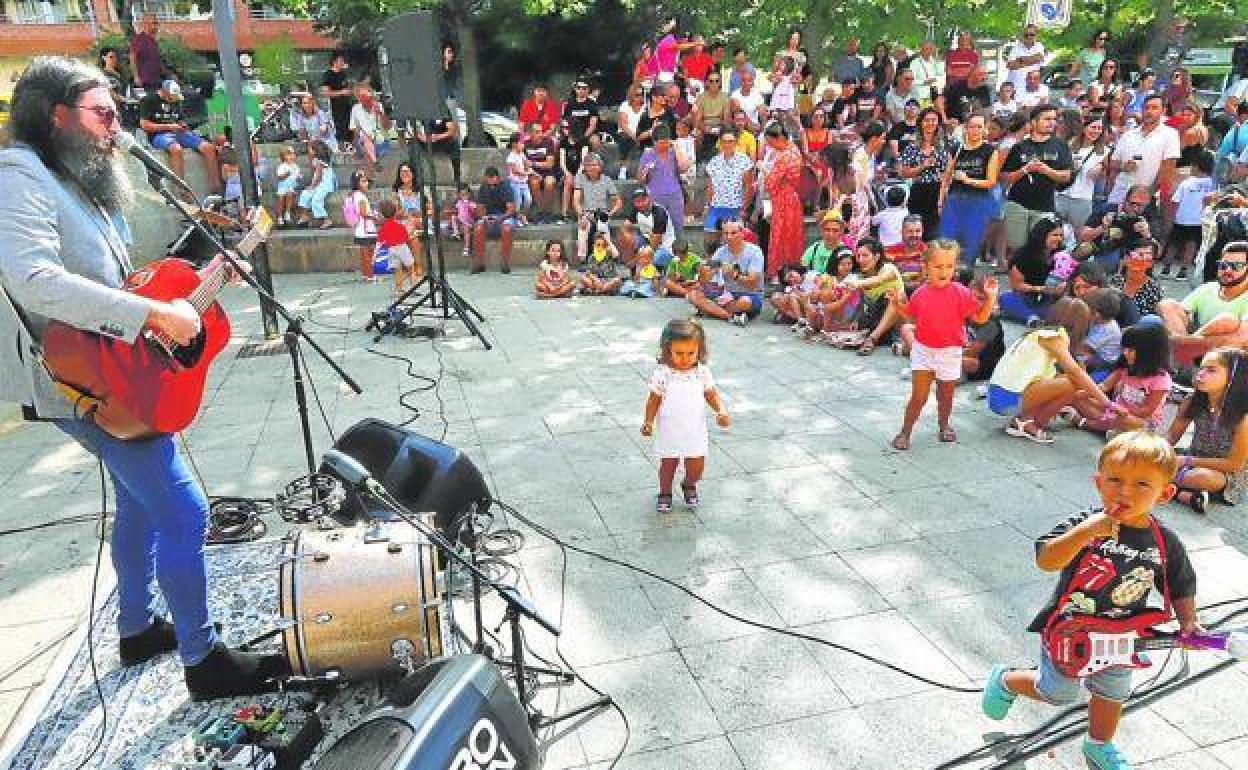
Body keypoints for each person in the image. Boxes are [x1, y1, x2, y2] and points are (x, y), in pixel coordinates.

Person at [0, 56, 286, 700]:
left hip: (110, 370)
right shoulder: (19, 176)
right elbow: (34, 280)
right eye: (103, 115)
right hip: (77, 383)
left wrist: (196, 284)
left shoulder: (78, 181)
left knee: (138, 502)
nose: (115, 127)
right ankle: (204, 659)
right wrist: (156, 312)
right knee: (184, 513)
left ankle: (135, 629)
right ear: (56, 117)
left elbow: (114, 282)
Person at [981, 431, 1201, 770]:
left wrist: (1189, 621)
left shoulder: (1164, 541)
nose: (1125, 491)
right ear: (1099, 483)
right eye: (1115, 480)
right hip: (1071, 629)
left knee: (1112, 694)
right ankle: (1006, 680)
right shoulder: (1084, 524)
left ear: (1165, 494)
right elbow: (1046, 559)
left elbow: (1181, 582)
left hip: (1121, 636)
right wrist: (1086, 532)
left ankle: (1099, 744)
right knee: (1058, 693)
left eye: (1142, 484)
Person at [888, 241, 998, 449]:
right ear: (926, 266)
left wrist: (991, 298)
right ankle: (905, 431)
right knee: (918, 397)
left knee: (945, 396)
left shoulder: (960, 293)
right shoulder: (920, 293)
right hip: (923, 351)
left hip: (950, 352)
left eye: (949, 266)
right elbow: (911, 315)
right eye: (938, 266)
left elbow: (981, 318)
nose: (944, 271)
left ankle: (944, 425)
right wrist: (896, 304)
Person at [988, 297, 1113, 443]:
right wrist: (1108, 404)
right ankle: (1028, 423)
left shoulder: (1042, 333)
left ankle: (1028, 422)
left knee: (1071, 383)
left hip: (1004, 396)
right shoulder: (1052, 337)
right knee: (1073, 380)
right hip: (1007, 399)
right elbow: (1075, 373)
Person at [641, 319, 730, 514]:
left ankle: (689, 484)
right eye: (678, 353)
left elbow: (711, 394)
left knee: (696, 466)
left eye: (691, 353)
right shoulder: (663, 374)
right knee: (668, 464)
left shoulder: (702, 373)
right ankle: (665, 492)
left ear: (699, 351)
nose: (685, 358)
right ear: (667, 351)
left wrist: (720, 410)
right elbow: (653, 400)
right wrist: (648, 422)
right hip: (670, 429)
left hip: (695, 430)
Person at [1168, 348, 1248, 512]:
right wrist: (1156, 451)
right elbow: (1170, 437)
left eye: (1211, 370)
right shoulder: (1191, 401)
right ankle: (1184, 495)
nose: (1201, 374)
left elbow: (1234, 464)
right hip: (1190, 458)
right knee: (1148, 457)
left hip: (1224, 474)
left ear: (1233, 378)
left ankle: (1158, 484)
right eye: (1201, 368)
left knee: (1204, 477)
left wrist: (1187, 461)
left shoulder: (1243, 418)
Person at [1060, 322, 1172, 435]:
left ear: (1149, 353)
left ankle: (1084, 423)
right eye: (1124, 349)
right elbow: (1104, 386)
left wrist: (1117, 411)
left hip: (1139, 422)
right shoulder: (1126, 367)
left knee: (1128, 422)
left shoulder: (1161, 379)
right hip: (1114, 412)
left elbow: (1145, 411)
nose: (1125, 353)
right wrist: (1081, 394)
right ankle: (1105, 427)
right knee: (1079, 400)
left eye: (1131, 350)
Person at [1156, 241, 1248, 364]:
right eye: (1223, 265)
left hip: (1228, 357)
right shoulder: (1208, 288)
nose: (1227, 270)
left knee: (1227, 321)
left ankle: (1181, 355)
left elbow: (1241, 338)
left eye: (1236, 266)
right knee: (1167, 305)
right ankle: (1184, 358)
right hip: (1200, 348)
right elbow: (1179, 317)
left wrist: (1180, 341)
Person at [1001, 104, 1073, 256]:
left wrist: (1045, 170)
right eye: (1047, 119)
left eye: (1054, 119)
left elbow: (1066, 175)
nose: (1051, 122)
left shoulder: (1060, 146)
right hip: (1017, 203)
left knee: (1039, 247)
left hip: (1044, 205)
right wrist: (1025, 169)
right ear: (1033, 122)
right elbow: (1005, 177)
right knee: (1017, 247)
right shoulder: (1020, 147)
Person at [138, 78, 222, 193]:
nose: (174, 100)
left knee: (208, 147)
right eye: (172, 97)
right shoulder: (149, 100)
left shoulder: (177, 100)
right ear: (165, 93)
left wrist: (182, 125)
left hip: (177, 131)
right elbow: (145, 125)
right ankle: (182, 189)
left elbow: (180, 119)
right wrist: (170, 127)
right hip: (158, 134)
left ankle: (216, 186)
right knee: (176, 149)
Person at [941, 113, 1002, 266]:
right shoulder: (956, 148)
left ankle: (966, 278)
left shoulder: (990, 151)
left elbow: (991, 182)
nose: (975, 130)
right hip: (954, 199)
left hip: (977, 201)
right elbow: (946, 177)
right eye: (972, 126)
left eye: (979, 127)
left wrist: (968, 180)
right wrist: (940, 200)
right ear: (966, 128)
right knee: (949, 242)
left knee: (971, 242)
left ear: (985, 129)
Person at [688, 219, 765, 326]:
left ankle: (713, 310)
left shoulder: (755, 252)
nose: (729, 237)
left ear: (742, 233)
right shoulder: (720, 252)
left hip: (750, 295)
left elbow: (753, 283)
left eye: (733, 233)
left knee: (744, 302)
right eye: (726, 233)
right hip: (726, 294)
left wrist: (734, 275)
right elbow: (705, 281)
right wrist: (703, 272)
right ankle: (731, 316)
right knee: (693, 295)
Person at [1105, 95, 1179, 206]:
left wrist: (1149, 193)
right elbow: (1113, 164)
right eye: (1146, 107)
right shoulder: (1128, 135)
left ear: (1163, 111)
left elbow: (1167, 169)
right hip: (1118, 195)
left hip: (1144, 200)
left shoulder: (1170, 134)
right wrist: (1123, 167)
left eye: (1154, 108)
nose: (1149, 111)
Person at [841, 237, 906, 354]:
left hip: (896, 322)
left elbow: (879, 279)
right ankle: (870, 336)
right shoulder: (860, 276)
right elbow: (862, 302)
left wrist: (857, 283)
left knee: (896, 298)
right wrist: (856, 320)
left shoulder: (889, 269)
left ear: (876, 257)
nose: (861, 260)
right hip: (875, 320)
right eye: (858, 256)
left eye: (865, 256)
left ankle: (872, 339)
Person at [999, 217, 1067, 324]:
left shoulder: (1059, 254)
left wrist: (1061, 288)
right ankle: (1031, 318)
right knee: (1006, 298)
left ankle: (1035, 316)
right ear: (1042, 235)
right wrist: (1040, 289)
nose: (1059, 239)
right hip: (1026, 296)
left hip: (1046, 299)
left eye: (1061, 235)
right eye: (1055, 235)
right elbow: (1016, 285)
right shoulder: (1024, 255)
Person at [761, 121, 805, 280]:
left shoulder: (783, 156)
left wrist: (764, 169)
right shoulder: (795, 150)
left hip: (782, 198)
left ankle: (777, 273)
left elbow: (770, 183)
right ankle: (791, 270)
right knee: (792, 235)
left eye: (771, 142)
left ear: (779, 137)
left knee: (779, 236)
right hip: (792, 196)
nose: (770, 146)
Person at [1162, 150, 1215, 280]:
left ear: (1196, 166)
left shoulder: (1186, 183)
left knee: (1174, 243)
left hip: (1181, 219)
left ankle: (1166, 269)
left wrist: (1170, 217)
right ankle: (1183, 271)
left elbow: (1175, 201)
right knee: (1191, 245)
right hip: (1198, 221)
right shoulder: (1212, 184)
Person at [898, 107, 949, 239]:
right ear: (921, 122)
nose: (930, 123)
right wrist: (922, 166)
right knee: (917, 230)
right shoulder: (912, 147)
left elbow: (948, 173)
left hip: (938, 189)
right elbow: (903, 172)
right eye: (927, 120)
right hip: (919, 190)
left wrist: (942, 197)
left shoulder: (946, 145)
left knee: (935, 232)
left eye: (934, 120)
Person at [702, 128, 755, 253]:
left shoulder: (744, 161)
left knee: (735, 241)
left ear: (736, 142)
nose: (727, 144)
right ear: (720, 142)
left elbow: (749, 187)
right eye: (724, 141)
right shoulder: (714, 162)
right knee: (710, 242)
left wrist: (744, 208)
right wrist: (708, 205)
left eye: (730, 141)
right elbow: (710, 186)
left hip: (735, 207)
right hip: (716, 206)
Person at [1057, 116, 1109, 231]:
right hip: (1062, 194)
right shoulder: (1069, 144)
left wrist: (1100, 169)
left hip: (1082, 199)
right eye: (1093, 127)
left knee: (1079, 234)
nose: (1096, 131)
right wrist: (1071, 166)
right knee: (1054, 231)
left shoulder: (1104, 151)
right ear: (1084, 128)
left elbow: (1105, 175)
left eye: (1099, 128)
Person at [572, 152, 620, 264]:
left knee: (602, 227)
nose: (592, 168)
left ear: (600, 166)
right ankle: (583, 259)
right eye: (588, 165)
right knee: (583, 228)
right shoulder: (580, 178)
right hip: (586, 213)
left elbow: (618, 201)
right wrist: (581, 215)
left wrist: (610, 213)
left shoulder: (607, 180)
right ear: (585, 167)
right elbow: (576, 201)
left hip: (602, 212)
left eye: (594, 165)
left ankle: (606, 256)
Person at [471, 167, 515, 274]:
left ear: (498, 178)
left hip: (504, 216)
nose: (491, 184)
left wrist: (499, 219)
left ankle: (505, 262)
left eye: (493, 180)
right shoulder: (483, 188)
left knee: (507, 229)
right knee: (478, 229)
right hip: (488, 216)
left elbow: (511, 210)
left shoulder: (506, 187)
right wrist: (484, 217)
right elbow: (479, 208)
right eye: (488, 180)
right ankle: (480, 263)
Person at [619, 187, 676, 269]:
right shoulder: (636, 210)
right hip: (646, 240)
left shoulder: (659, 213)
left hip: (664, 247)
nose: (641, 203)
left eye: (643, 200)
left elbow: (655, 244)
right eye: (637, 201)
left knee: (649, 260)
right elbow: (624, 227)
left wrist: (635, 260)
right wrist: (628, 239)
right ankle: (626, 266)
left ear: (649, 198)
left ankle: (639, 269)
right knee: (623, 238)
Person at [349, 81, 393, 177]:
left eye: (369, 97)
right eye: (363, 97)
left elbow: (388, 127)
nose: (368, 100)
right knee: (364, 140)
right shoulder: (355, 109)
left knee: (366, 143)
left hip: (381, 140)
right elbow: (355, 130)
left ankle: (372, 174)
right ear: (359, 98)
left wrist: (380, 114)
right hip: (364, 141)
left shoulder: (379, 106)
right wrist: (354, 145)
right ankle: (374, 166)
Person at [1112, 239, 1165, 318]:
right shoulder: (1116, 280)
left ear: (1151, 263)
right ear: (1126, 259)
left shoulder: (1154, 287)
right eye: (1139, 255)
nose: (1142, 259)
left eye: (1147, 255)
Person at [1080, 288, 1124, 379]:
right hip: (1094, 352)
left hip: (1103, 364)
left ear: (1096, 314)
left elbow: (1085, 349)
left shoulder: (1108, 330)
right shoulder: (1098, 321)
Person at [377, 200, 417, 297]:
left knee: (397, 270)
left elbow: (381, 240)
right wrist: (412, 233)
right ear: (395, 213)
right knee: (411, 269)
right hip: (402, 248)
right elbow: (406, 238)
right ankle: (413, 288)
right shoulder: (400, 226)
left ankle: (399, 290)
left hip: (391, 249)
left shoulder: (383, 228)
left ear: (382, 215)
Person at [523, 121, 560, 223]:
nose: (541, 134)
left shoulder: (548, 142)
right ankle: (543, 212)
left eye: (541, 131)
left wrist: (533, 163)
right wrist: (533, 169)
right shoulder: (525, 145)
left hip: (548, 172)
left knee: (550, 183)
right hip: (532, 173)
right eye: (537, 132)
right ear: (530, 133)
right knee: (534, 183)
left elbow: (550, 164)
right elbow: (524, 164)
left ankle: (543, 211)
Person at [294, 140, 335, 229]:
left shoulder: (319, 162)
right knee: (305, 194)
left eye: (310, 149)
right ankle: (304, 216)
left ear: (316, 151)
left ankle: (327, 219)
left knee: (316, 200)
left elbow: (319, 177)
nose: (308, 151)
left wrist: (312, 186)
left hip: (325, 185)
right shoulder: (314, 161)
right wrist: (312, 185)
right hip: (318, 184)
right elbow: (314, 175)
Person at [346, 170, 378, 283]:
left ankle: (365, 275)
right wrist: (375, 217)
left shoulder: (354, 195)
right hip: (366, 230)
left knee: (363, 254)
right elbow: (364, 214)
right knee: (368, 254)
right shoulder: (361, 197)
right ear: (358, 184)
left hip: (359, 230)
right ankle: (370, 276)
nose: (367, 184)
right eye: (363, 181)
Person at [693, 70, 731, 160]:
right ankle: (699, 161)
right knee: (697, 135)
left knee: (727, 135)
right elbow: (698, 119)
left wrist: (720, 128)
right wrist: (704, 128)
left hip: (719, 125)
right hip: (705, 126)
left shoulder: (725, 98)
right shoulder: (701, 97)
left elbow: (726, 119)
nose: (714, 83)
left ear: (720, 83)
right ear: (707, 83)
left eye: (717, 81)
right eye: (711, 81)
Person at [321, 52, 354, 147]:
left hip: (348, 106)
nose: (343, 62)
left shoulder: (344, 74)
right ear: (334, 62)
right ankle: (341, 147)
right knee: (340, 130)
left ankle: (351, 147)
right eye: (341, 60)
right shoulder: (328, 75)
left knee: (350, 129)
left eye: (343, 60)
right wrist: (341, 92)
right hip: (336, 108)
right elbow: (326, 93)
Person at [562, 78, 600, 152]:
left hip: (588, 133)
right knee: (557, 142)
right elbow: (564, 123)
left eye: (584, 88)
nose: (581, 90)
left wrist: (583, 137)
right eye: (578, 88)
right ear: (575, 89)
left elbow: (593, 125)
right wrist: (569, 136)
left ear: (588, 90)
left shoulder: (592, 104)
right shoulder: (569, 104)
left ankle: (595, 160)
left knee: (595, 141)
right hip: (571, 133)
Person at [1004, 24, 1045, 92]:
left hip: (1031, 87)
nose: (1029, 37)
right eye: (1026, 35)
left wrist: (1020, 60)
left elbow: (1038, 58)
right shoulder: (1016, 48)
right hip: (1015, 87)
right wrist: (1032, 60)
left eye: (1031, 34)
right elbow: (1010, 65)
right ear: (1023, 36)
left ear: (1036, 35)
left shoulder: (1039, 46)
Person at [616, 86, 645, 176]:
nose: (639, 97)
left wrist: (641, 136)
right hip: (627, 133)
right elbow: (623, 125)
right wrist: (636, 138)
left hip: (642, 133)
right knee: (625, 139)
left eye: (641, 95)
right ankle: (623, 169)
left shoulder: (646, 106)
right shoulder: (625, 105)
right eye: (636, 95)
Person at [128, 13, 162, 89]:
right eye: (154, 23)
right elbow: (132, 58)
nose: (157, 26)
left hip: (156, 80)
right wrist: (136, 77)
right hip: (145, 82)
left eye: (157, 23)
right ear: (146, 24)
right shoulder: (139, 39)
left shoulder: (153, 41)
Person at [273, 146, 301, 228]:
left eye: (293, 154)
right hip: (282, 187)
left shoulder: (296, 167)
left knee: (290, 195)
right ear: (283, 157)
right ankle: (279, 217)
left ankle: (287, 213)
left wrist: (298, 177)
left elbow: (297, 177)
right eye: (289, 155)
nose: (291, 157)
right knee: (280, 199)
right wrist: (286, 174)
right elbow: (279, 177)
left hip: (291, 186)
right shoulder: (282, 166)